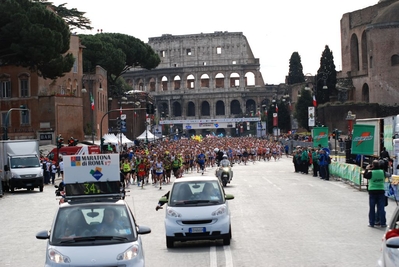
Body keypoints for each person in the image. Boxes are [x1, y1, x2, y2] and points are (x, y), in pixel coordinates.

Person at [363, 160, 387, 228]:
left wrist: (367, 169)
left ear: (372, 165)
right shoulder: (382, 172)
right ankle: (383, 223)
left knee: (372, 208)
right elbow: (385, 177)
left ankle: (372, 223)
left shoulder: (371, 172)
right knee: (381, 208)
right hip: (381, 191)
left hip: (372, 191)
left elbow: (365, 176)